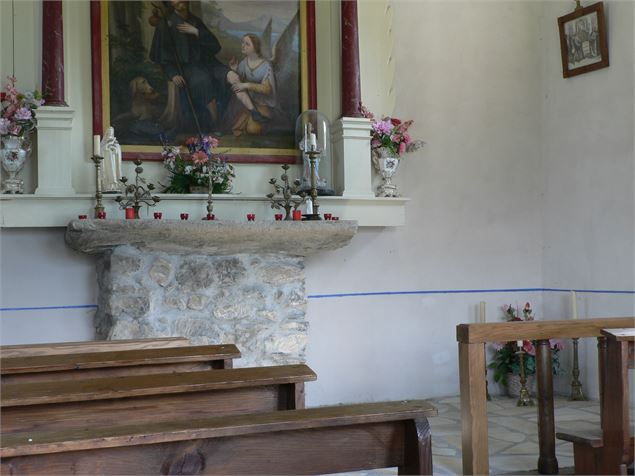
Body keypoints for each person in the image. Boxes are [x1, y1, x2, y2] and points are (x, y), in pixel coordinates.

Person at [149, 0, 228, 131]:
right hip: (185, 68)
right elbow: (161, 57)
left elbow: (215, 46)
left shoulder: (195, 21)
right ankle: (215, 123)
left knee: (224, 78)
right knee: (203, 81)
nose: (180, 1)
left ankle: (219, 121)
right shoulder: (165, 24)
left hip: (204, 64)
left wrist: (197, 32)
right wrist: (172, 74)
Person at [224, 34, 278, 136]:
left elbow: (267, 89)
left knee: (253, 130)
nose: (243, 46)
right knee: (235, 126)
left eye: (247, 44)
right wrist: (235, 70)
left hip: (263, 104)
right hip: (248, 103)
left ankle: (255, 117)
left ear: (255, 47)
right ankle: (251, 114)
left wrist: (246, 85)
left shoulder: (266, 65)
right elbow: (239, 82)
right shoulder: (244, 63)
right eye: (242, 43)